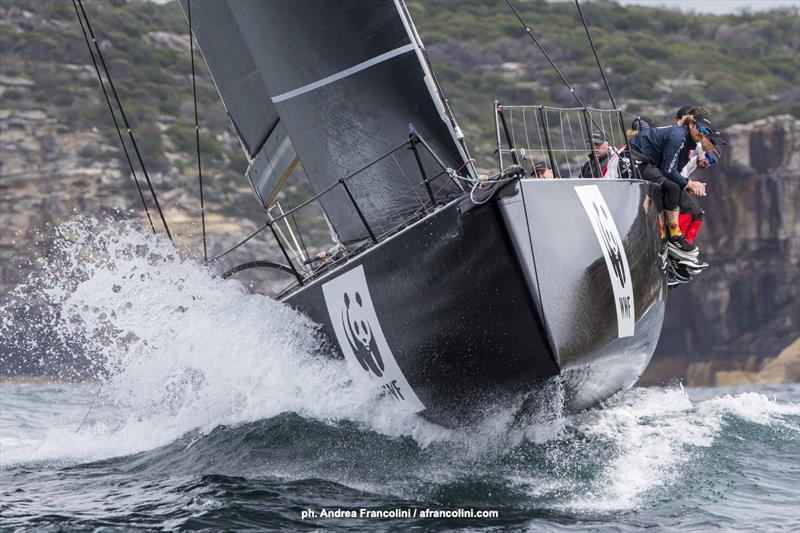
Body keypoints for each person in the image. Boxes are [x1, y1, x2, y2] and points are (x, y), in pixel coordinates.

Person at [628, 112, 725, 263]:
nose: (702, 133)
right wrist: (689, 184)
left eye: (706, 132)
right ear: (692, 125)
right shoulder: (678, 137)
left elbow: (675, 172)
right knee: (671, 188)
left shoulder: (689, 143)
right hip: (635, 160)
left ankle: (672, 235)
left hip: (648, 163)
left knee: (673, 188)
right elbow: (668, 170)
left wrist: (687, 185)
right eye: (701, 129)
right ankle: (672, 236)